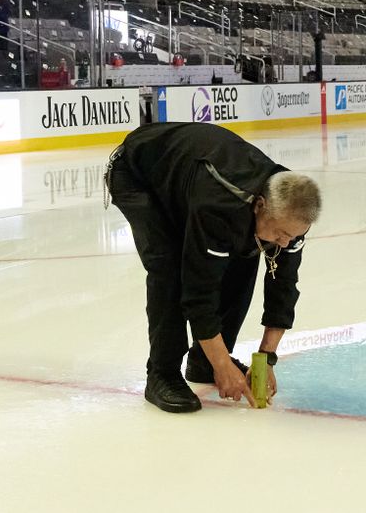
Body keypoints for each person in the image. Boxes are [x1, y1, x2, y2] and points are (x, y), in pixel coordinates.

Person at [104, 122, 322, 413]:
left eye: (293, 236)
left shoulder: (291, 216)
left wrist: (267, 357)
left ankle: (203, 362)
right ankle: (162, 372)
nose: (285, 243)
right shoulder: (220, 204)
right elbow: (198, 292)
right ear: (259, 206)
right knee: (168, 269)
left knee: (247, 252)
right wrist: (223, 366)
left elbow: (283, 286)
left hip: (189, 181)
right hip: (138, 177)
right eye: (281, 233)